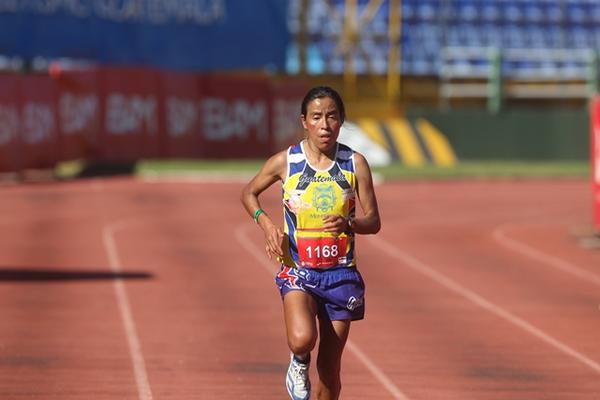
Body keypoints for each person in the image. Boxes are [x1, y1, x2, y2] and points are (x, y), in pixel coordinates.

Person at [240, 86, 381, 400]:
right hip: (299, 271)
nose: (325, 125)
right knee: (303, 339)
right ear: (304, 121)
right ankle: (298, 360)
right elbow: (248, 193)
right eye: (317, 117)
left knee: (330, 372)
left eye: (332, 117)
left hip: (341, 275)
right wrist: (266, 225)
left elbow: (374, 221)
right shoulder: (286, 162)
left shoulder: (354, 164)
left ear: (341, 121)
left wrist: (350, 223)